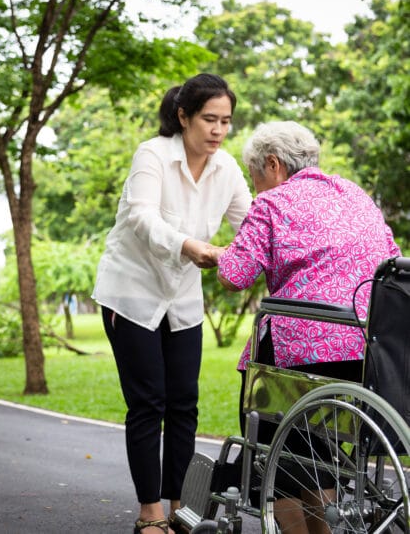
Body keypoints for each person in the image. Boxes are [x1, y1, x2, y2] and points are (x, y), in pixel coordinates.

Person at [217, 121, 401, 534]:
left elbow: (235, 275)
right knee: (316, 446)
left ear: (273, 164)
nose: (257, 189)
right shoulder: (355, 195)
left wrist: (218, 254)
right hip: (362, 353)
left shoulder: (273, 203)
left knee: (274, 446)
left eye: (255, 178)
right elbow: (392, 258)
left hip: (299, 352)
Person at [92, 74, 252, 534]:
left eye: (226, 121)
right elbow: (141, 216)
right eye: (209, 119)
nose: (219, 130)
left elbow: (252, 222)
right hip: (133, 293)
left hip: (182, 299)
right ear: (183, 117)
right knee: (148, 403)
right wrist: (189, 245)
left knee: (184, 403)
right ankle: (150, 515)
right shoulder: (153, 155)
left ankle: (183, 507)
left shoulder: (226, 170)